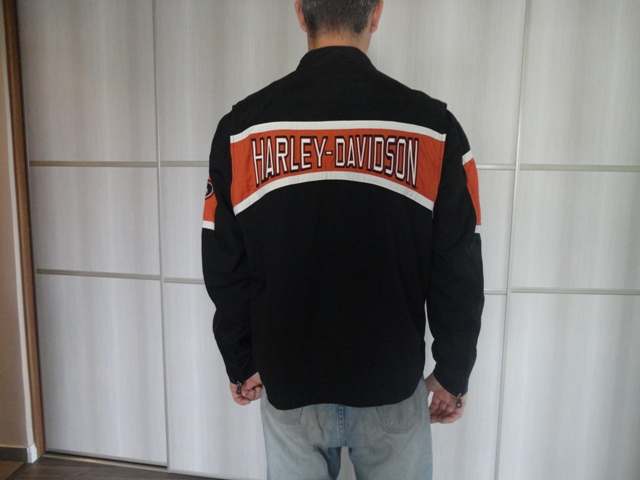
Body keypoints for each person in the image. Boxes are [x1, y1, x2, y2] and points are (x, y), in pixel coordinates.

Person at [202, 0, 484, 478]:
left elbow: (223, 260)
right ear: (375, 13)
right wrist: (453, 371)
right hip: (390, 383)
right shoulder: (433, 129)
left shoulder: (241, 130)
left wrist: (241, 358)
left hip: (289, 382)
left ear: (300, 13)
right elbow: (458, 263)